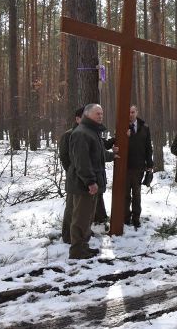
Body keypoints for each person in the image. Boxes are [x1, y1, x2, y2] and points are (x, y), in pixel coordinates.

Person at [66, 104, 113, 259]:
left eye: (102, 113)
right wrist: (90, 182)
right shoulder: (81, 133)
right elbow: (82, 162)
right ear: (87, 115)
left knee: (87, 218)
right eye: (97, 113)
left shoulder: (93, 132)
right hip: (83, 185)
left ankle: (83, 247)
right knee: (80, 219)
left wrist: (112, 156)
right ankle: (77, 251)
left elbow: (97, 156)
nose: (100, 116)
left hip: (89, 184)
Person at [124, 105, 154, 228]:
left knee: (137, 193)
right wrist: (125, 136)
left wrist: (150, 164)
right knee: (125, 194)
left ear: (137, 112)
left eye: (133, 112)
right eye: (129, 112)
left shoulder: (145, 127)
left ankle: (136, 218)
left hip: (139, 166)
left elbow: (148, 147)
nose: (130, 114)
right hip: (124, 167)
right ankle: (125, 217)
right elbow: (117, 143)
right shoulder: (122, 126)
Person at [58, 106, 84, 244]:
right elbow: (64, 157)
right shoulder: (68, 135)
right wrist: (72, 171)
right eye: (84, 117)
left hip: (85, 177)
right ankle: (67, 236)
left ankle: (80, 233)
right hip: (74, 177)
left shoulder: (87, 133)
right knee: (71, 208)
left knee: (81, 209)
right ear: (77, 119)